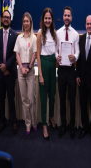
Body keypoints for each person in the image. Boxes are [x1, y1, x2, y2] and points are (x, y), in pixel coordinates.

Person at [0, 10, 18, 134]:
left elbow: (15, 54)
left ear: (10, 19)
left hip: (10, 74)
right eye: (4, 17)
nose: (6, 19)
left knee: (11, 100)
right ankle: (2, 121)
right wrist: (1, 67)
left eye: (8, 17)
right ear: (2, 19)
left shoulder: (15, 35)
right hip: (0, 74)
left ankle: (13, 122)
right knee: (1, 99)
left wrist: (6, 66)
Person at [56, 6, 80, 139]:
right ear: (63, 16)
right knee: (62, 100)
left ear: (71, 17)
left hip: (71, 70)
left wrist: (74, 57)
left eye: (68, 15)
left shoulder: (75, 34)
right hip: (61, 70)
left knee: (72, 99)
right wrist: (56, 56)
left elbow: (77, 51)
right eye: (64, 15)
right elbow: (55, 50)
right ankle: (63, 125)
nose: (66, 17)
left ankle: (72, 126)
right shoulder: (58, 33)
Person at [14, 12, 37, 135]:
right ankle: (27, 124)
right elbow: (17, 53)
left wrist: (28, 67)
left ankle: (34, 122)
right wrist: (21, 68)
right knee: (24, 100)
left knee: (31, 99)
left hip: (30, 70)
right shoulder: (19, 37)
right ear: (22, 23)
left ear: (30, 22)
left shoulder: (34, 37)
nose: (26, 23)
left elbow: (34, 53)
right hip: (21, 71)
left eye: (28, 21)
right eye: (24, 21)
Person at [37, 8, 57, 140]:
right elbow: (38, 55)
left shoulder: (55, 33)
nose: (48, 20)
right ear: (43, 19)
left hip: (52, 64)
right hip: (43, 64)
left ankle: (51, 117)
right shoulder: (39, 33)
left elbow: (57, 51)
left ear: (52, 20)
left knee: (53, 94)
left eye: (50, 18)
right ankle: (44, 125)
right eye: (46, 18)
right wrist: (40, 74)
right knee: (44, 97)